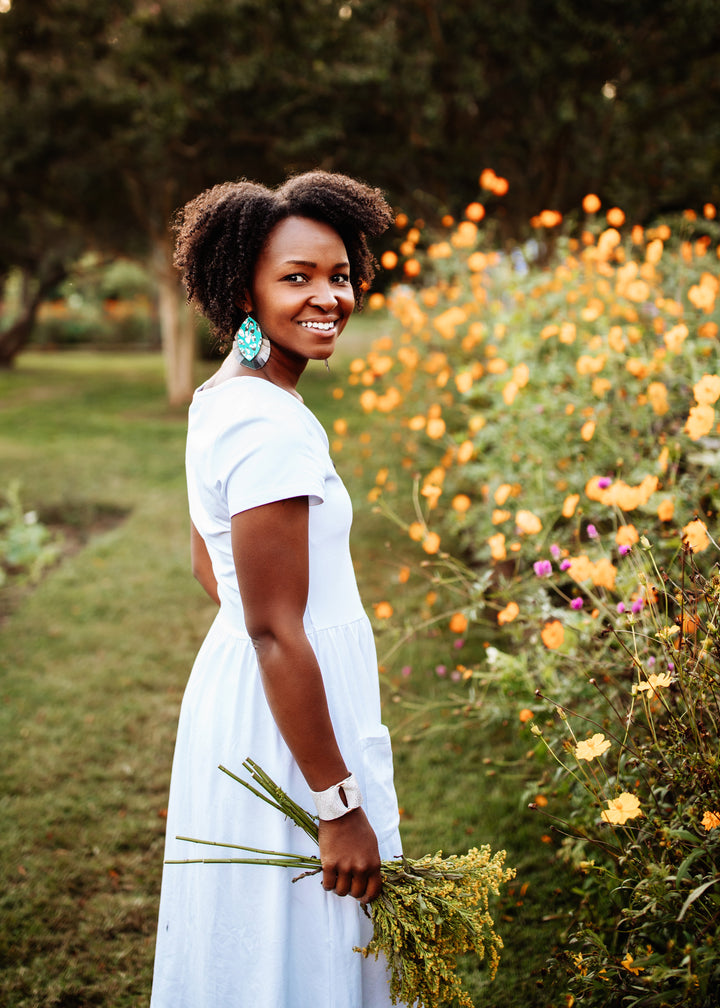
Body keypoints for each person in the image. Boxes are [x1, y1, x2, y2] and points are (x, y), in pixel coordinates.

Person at [150, 171, 405, 1008]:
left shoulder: (225, 396)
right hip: (291, 716)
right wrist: (336, 802)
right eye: (296, 278)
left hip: (254, 699)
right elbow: (269, 627)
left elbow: (209, 567)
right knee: (311, 941)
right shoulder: (269, 423)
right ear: (243, 287)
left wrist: (268, 643)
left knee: (257, 945)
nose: (328, 296)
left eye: (338, 275)